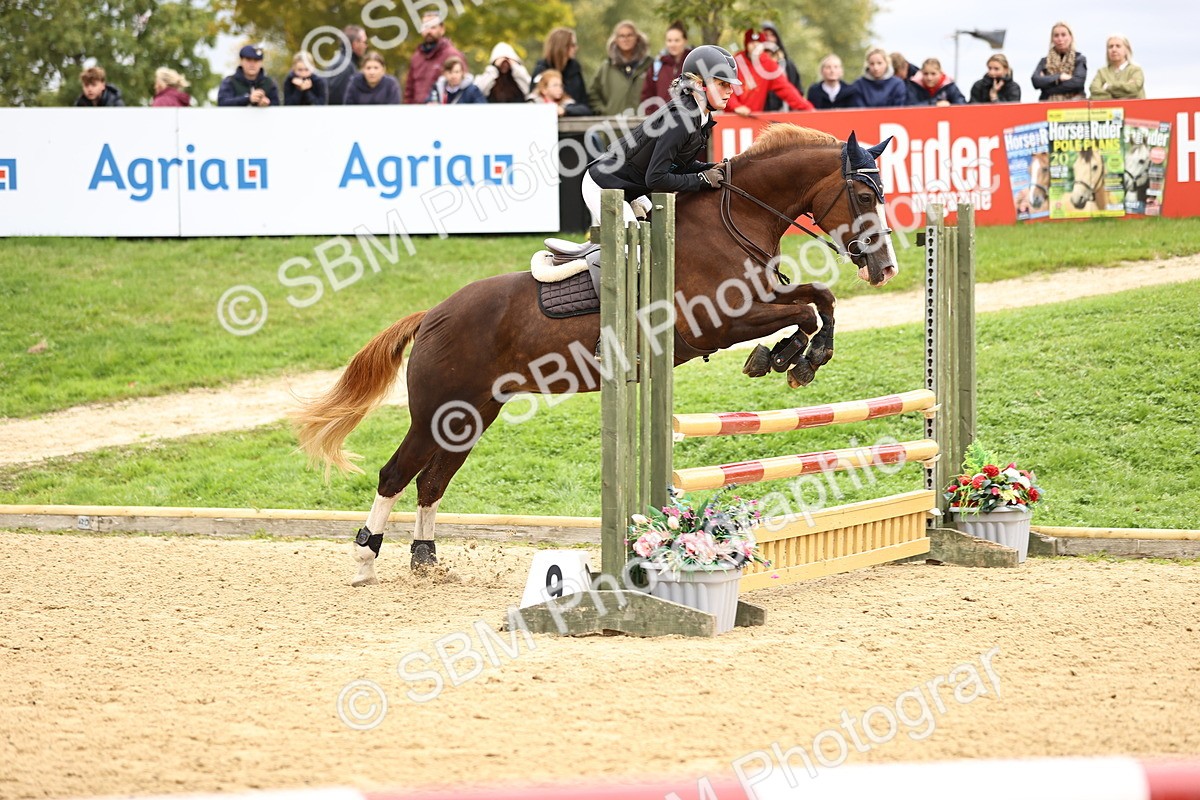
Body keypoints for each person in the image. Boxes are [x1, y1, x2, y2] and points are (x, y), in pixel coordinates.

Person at [583, 45, 741, 228]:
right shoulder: (681, 119)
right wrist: (702, 179)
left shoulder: (701, 117)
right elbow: (656, 177)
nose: (730, 90)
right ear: (699, 85)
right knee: (633, 251)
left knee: (660, 236)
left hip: (630, 188)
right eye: (722, 84)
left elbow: (679, 164)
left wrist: (715, 167)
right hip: (603, 185)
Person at [726, 29, 813, 115]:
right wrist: (735, 106)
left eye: (759, 43)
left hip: (753, 118)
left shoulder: (768, 64)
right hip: (731, 116)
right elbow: (725, 86)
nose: (755, 46)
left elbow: (785, 89)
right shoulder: (735, 62)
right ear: (746, 45)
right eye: (751, 42)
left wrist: (807, 108)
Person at [589, 20, 652, 116]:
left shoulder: (649, 64)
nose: (626, 39)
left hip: (644, 125)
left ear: (637, 38)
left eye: (629, 35)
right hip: (613, 126)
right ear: (616, 40)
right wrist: (604, 111)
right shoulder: (606, 67)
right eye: (621, 36)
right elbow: (593, 93)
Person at [403, 11, 465, 104]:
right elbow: (409, 91)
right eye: (425, 27)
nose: (428, 31)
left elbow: (463, 88)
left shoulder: (452, 55)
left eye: (433, 27)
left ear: (442, 29)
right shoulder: (416, 57)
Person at [530, 27, 590, 113]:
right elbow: (534, 99)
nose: (575, 48)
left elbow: (584, 103)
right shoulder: (542, 70)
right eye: (572, 45)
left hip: (573, 119)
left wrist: (565, 110)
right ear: (562, 46)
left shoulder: (575, 70)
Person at [1032, 21, 1087, 101]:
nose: (1060, 39)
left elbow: (1077, 83)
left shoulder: (1079, 59)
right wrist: (1059, 77)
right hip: (1048, 106)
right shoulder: (1044, 61)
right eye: (1056, 35)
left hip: (1074, 106)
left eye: (1063, 35)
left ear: (1070, 37)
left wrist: (1047, 88)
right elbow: (1035, 81)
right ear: (1052, 39)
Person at [641, 21, 690, 109]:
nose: (673, 44)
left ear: (685, 41)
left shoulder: (692, 64)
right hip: (662, 120)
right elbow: (647, 96)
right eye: (669, 40)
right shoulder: (657, 65)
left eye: (677, 40)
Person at [760, 21, 804, 112]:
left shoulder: (787, 64)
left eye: (772, 35)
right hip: (759, 114)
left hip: (784, 112)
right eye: (765, 35)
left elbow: (797, 89)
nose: (769, 39)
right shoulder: (753, 65)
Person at [1089, 35, 1144, 100]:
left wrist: (1108, 87)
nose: (1114, 49)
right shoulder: (1101, 72)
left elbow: (1133, 89)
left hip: (1134, 109)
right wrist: (1115, 98)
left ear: (1127, 49)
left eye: (1118, 46)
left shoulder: (1135, 70)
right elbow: (1094, 91)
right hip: (1108, 109)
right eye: (1110, 47)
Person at [327, 25, 367, 106]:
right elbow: (339, 100)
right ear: (355, 44)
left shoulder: (342, 61)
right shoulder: (345, 66)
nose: (366, 46)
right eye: (364, 42)